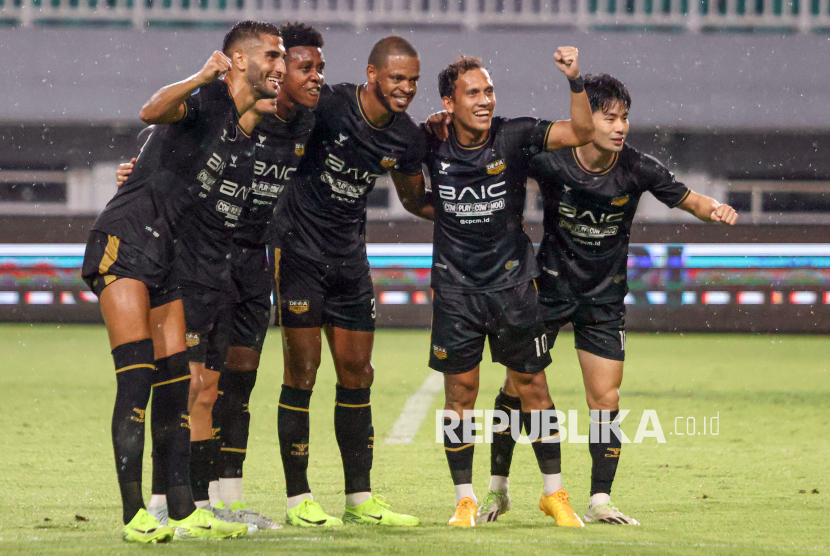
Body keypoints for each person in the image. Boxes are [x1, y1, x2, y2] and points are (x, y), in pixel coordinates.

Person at [484, 73, 738, 526]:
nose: (620, 126)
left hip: (603, 299)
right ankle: (497, 489)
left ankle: (599, 500)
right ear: (589, 119)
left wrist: (714, 209)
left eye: (625, 117)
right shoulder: (551, 161)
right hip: (549, 291)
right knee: (517, 388)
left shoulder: (636, 167)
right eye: (610, 117)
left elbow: (688, 199)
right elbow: (500, 163)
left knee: (606, 397)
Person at [114, 22, 323, 532]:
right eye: (286, 62)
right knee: (186, 386)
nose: (293, 74)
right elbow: (157, 130)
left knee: (229, 387)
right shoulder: (211, 111)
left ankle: (217, 500)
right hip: (193, 262)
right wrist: (138, 174)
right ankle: (170, 501)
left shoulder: (295, 123)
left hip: (246, 267)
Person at [81, 20, 283, 542]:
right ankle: (133, 517)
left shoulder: (234, 133)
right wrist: (198, 75)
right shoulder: (212, 97)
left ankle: (183, 507)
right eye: (273, 56)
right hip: (126, 242)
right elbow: (151, 112)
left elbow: (160, 142)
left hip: (167, 258)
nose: (280, 66)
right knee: (137, 381)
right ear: (238, 60)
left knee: (177, 387)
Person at [417, 50, 594, 528]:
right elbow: (413, 196)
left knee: (534, 386)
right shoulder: (429, 143)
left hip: (514, 285)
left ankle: (554, 494)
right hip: (455, 291)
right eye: (473, 92)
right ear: (448, 103)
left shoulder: (513, 136)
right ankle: (464, 499)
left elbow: (581, 132)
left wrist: (575, 80)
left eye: (489, 90)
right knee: (461, 394)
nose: (485, 100)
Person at [275, 36, 429, 527]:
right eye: (397, 78)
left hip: (349, 262)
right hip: (299, 255)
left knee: (358, 374)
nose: (406, 88)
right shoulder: (331, 104)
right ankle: (298, 498)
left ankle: (359, 499)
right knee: (302, 373)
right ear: (372, 74)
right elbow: (277, 126)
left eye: (413, 80)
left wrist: (472, 216)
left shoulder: (406, 138)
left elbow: (413, 200)